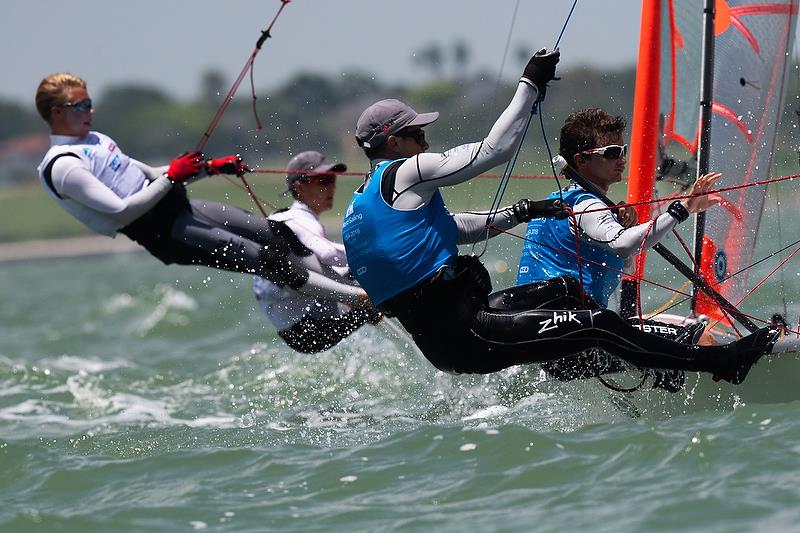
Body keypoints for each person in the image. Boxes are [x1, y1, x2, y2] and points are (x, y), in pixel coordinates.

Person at [342, 50, 779, 385]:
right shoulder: (405, 173)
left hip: (449, 336)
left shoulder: (363, 206)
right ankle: (720, 362)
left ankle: (630, 355)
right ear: (394, 142)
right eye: (417, 134)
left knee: (564, 289)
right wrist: (529, 83)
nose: (425, 141)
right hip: (468, 332)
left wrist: (524, 212)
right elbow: (492, 152)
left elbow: (457, 228)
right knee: (597, 324)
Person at [35, 72, 368, 306]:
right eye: (81, 106)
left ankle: (351, 279)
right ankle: (355, 299)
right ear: (57, 113)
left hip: (182, 208)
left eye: (89, 103)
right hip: (168, 232)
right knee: (265, 259)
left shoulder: (96, 140)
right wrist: (172, 178)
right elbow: (120, 211)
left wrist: (209, 168)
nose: (89, 110)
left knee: (275, 233)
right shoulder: (64, 165)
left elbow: (150, 174)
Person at [515, 108, 724, 390]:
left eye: (623, 149)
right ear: (581, 159)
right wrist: (683, 208)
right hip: (578, 342)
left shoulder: (562, 200)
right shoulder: (587, 206)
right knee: (702, 339)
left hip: (549, 341)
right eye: (612, 152)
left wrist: (620, 221)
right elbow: (624, 244)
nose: (622, 159)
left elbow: (610, 248)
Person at [254, 151, 380, 353]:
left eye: (332, 180)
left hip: (296, 329)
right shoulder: (298, 220)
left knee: (364, 278)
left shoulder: (281, 216)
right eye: (323, 180)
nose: (331, 187)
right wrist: (381, 250)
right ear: (299, 187)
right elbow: (330, 255)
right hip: (311, 327)